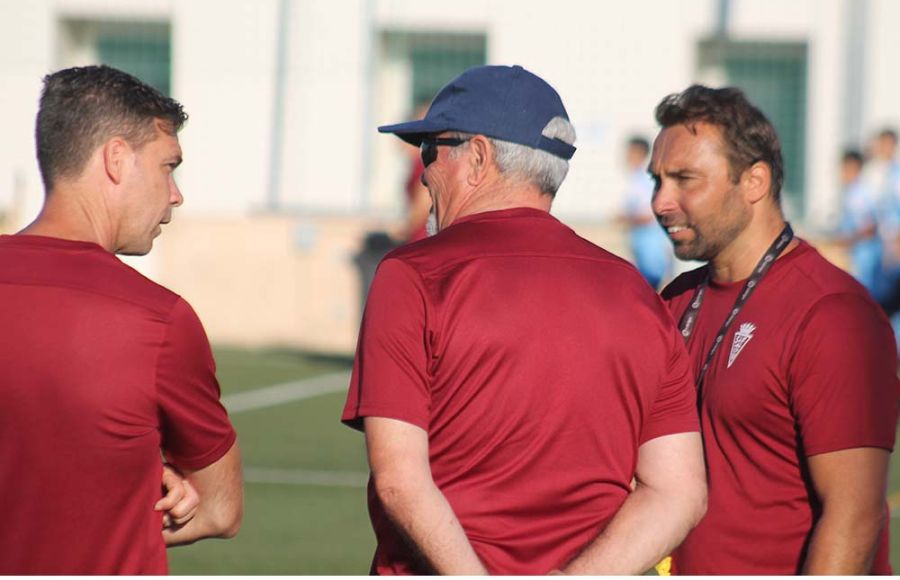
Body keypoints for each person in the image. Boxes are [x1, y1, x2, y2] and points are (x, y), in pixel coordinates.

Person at [342, 64, 707, 575]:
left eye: (430, 150)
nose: (424, 171)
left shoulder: (414, 274)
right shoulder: (635, 293)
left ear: (478, 157)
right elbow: (679, 490)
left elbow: (401, 480)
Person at [0, 65, 243, 574]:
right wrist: (133, 493)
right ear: (116, 159)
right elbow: (221, 510)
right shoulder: (158, 321)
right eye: (167, 166)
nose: (175, 194)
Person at [651, 85, 898, 574]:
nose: (661, 202)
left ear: (754, 181)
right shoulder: (675, 301)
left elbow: (855, 515)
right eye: (656, 180)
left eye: (684, 179)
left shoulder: (833, 314)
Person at [621, 135, 672, 289]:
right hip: (641, 246)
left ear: (639, 153)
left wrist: (626, 218)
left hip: (651, 248)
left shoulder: (646, 180)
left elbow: (649, 215)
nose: (627, 156)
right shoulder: (635, 179)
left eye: (630, 152)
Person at [834, 149, 882, 296]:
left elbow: (870, 227)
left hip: (864, 258)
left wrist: (847, 240)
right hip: (858, 256)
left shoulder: (858, 195)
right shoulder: (850, 192)